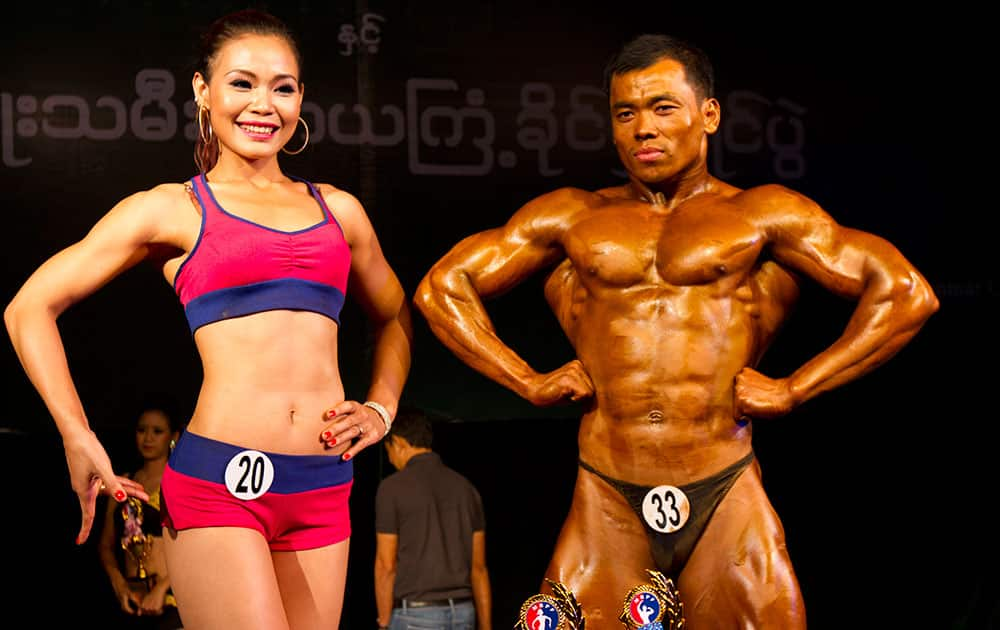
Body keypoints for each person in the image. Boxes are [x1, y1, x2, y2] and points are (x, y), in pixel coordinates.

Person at [414, 33, 938, 628]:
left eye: (664, 108)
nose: (644, 128)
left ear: (708, 114)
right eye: (626, 113)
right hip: (607, 500)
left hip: (724, 492)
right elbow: (441, 288)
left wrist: (795, 387)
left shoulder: (762, 215)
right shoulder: (573, 216)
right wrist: (527, 381)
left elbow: (904, 293)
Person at [4, 8, 411, 630]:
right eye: (241, 83)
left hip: (324, 486)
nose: (263, 104)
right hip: (221, 486)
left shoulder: (341, 212)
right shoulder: (171, 209)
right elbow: (30, 306)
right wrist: (74, 432)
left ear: (301, 98)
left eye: (283, 87)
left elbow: (395, 316)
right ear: (202, 90)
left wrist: (381, 409)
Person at [374, 407, 492, 630]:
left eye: (388, 450)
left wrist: (384, 622)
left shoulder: (392, 488)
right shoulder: (466, 489)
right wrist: (486, 626)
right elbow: (479, 568)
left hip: (415, 615)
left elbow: (385, 565)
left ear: (398, 442)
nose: (390, 460)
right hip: (464, 614)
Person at [97, 402, 184, 629]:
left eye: (157, 431)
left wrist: (162, 588)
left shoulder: (181, 484)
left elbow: (199, 549)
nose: (148, 438)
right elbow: (106, 544)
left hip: (171, 599)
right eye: (141, 430)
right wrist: (118, 583)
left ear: (173, 436)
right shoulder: (122, 482)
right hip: (132, 599)